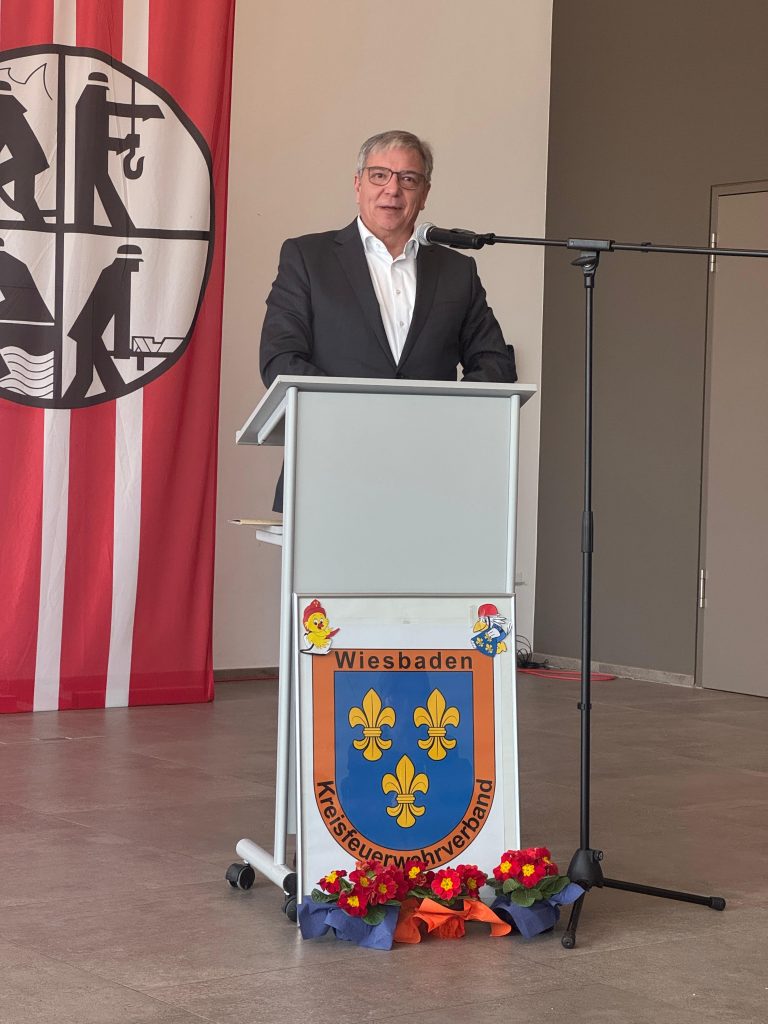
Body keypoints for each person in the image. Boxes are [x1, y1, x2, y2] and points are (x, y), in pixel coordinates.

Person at [259, 129, 517, 509]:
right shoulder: (307, 258)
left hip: (433, 477)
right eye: (379, 175)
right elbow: (279, 358)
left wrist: (446, 417)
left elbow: (495, 364)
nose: (392, 189)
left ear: (424, 194)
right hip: (329, 470)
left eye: (408, 179)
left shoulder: (457, 271)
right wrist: (361, 414)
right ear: (358, 184)